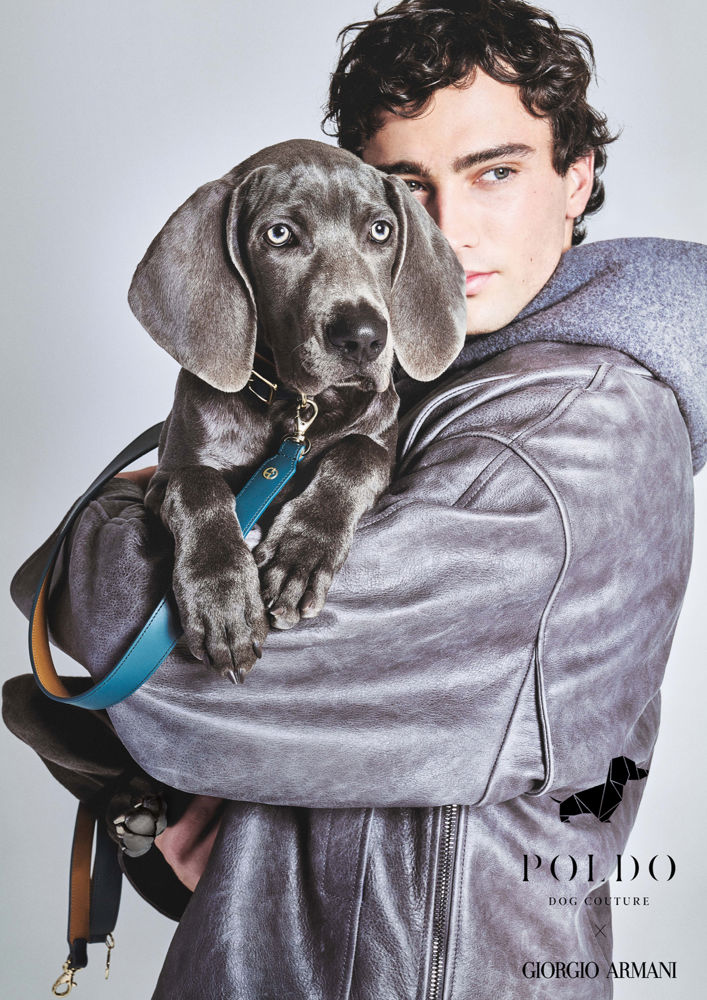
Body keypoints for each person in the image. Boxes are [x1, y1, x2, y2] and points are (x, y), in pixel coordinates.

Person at [4, 1, 705, 997]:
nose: (444, 232)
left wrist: (109, 523)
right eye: (407, 192)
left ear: (574, 180)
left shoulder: (574, 431)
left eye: (494, 172)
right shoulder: (436, 382)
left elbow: (149, 645)